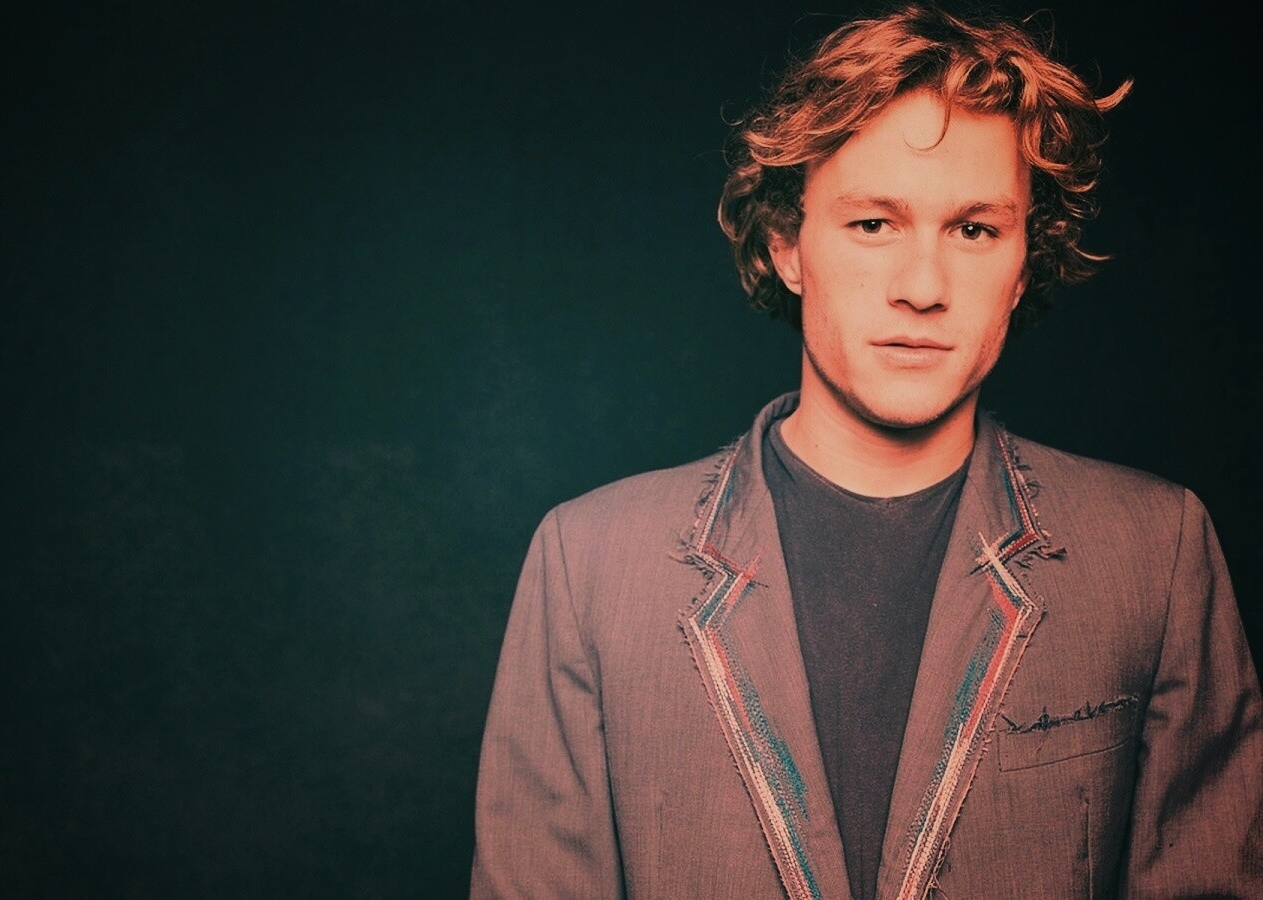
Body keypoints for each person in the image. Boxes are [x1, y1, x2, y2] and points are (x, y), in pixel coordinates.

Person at [469, 2, 1263, 897]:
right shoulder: (587, 563)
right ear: (788, 246)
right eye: (873, 224)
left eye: (974, 229)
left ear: (1022, 263)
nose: (922, 287)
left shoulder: (1156, 552)